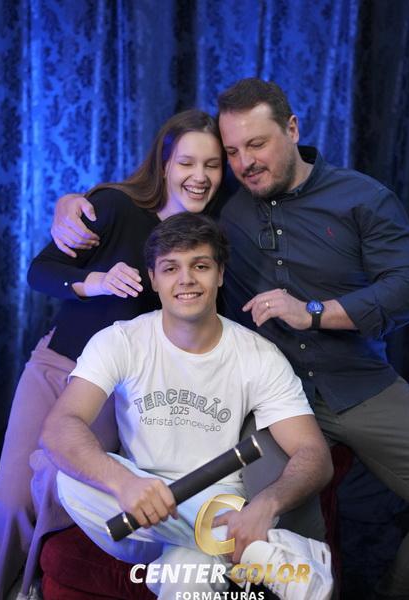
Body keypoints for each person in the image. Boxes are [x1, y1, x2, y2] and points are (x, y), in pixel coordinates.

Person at [52, 78, 409, 600]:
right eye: (233, 152)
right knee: (276, 515)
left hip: (357, 384)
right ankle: (284, 563)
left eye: (256, 145)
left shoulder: (363, 198)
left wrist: (315, 312)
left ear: (292, 129)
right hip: (268, 400)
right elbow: (168, 212)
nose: (245, 163)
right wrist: (74, 203)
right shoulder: (226, 211)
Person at [40, 212, 334, 600]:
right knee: (69, 477)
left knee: (186, 579)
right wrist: (124, 482)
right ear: (153, 278)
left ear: (220, 274)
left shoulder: (258, 356)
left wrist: (267, 502)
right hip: (134, 511)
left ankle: (220, 540)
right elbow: (60, 427)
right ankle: (266, 553)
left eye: (200, 266)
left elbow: (313, 454)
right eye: (170, 268)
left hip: (218, 502)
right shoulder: (120, 341)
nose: (186, 280)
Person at [0, 109, 225, 599]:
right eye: (187, 162)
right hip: (56, 367)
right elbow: (40, 270)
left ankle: (28, 587)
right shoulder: (115, 207)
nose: (199, 176)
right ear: (164, 163)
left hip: (114, 393)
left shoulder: (210, 241)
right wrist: (93, 281)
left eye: (212, 165)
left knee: (54, 483)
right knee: (11, 499)